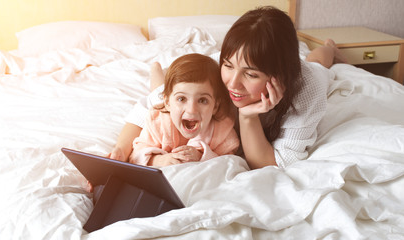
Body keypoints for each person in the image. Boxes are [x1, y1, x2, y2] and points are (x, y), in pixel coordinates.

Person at [109, 6, 346, 169]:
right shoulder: (216, 70)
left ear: (280, 76)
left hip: (311, 70)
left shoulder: (308, 89)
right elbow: (151, 104)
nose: (232, 83)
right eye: (229, 65)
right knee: (166, 91)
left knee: (317, 63)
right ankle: (157, 72)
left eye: (251, 74)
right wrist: (120, 149)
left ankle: (330, 48)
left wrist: (247, 116)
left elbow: (272, 164)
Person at [128, 53, 240, 167]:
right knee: (157, 91)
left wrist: (202, 157)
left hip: (171, 96)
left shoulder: (222, 131)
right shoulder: (157, 123)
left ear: (215, 106)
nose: (191, 110)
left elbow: (228, 162)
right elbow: (136, 155)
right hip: (160, 98)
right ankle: (155, 69)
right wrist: (158, 160)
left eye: (202, 100)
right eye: (182, 99)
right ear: (167, 103)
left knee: (165, 90)